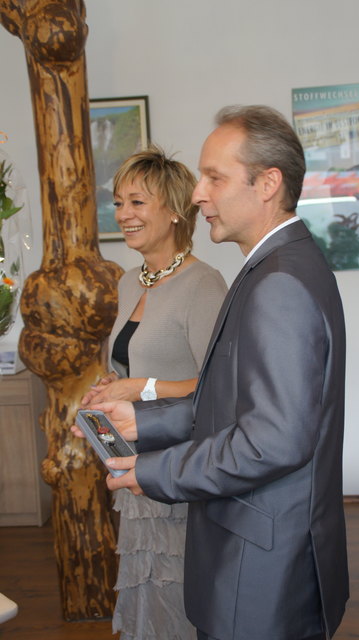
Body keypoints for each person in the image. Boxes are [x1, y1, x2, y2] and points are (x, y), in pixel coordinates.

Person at [75, 106, 349, 640]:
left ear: (267, 183)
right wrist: (140, 420)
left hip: (261, 562)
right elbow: (230, 401)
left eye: (214, 178)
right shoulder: (275, 267)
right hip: (260, 547)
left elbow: (271, 440)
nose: (198, 194)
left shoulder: (279, 282)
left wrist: (156, 471)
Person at [80, 146, 228, 640]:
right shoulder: (128, 282)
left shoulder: (204, 284)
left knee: (179, 586)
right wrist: (110, 387)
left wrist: (140, 386)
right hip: (135, 457)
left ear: (175, 210)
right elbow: (133, 366)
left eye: (137, 202)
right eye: (119, 203)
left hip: (180, 465)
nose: (124, 214)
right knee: (149, 588)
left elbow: (219, 384)